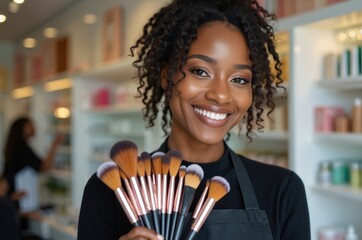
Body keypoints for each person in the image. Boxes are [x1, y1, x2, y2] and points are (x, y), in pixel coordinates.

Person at [78, 0, 310, 239]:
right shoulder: (109, 191)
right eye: (200, 71)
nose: (220, 94)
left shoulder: (282, 190)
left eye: (240, 79)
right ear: (167, 76)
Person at [1, 116, 63, 237]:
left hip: (15, 208)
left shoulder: (14, 149)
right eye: (30, 125)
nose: (34, 128)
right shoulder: (22, 149)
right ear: (23, 129)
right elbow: (43, 167)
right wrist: (55, 144)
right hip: (16, 210)